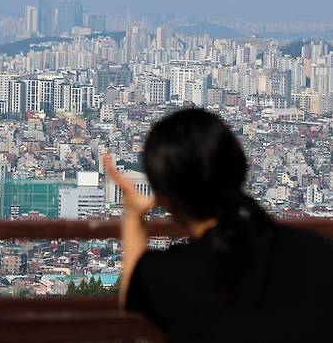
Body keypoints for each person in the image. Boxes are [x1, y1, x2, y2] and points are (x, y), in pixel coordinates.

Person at [103, 108, 332, 343]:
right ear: (239, 168)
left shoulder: (168, 277)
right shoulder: (317, 251)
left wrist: (133, 216)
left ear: (166, 198)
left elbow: (132, 303)